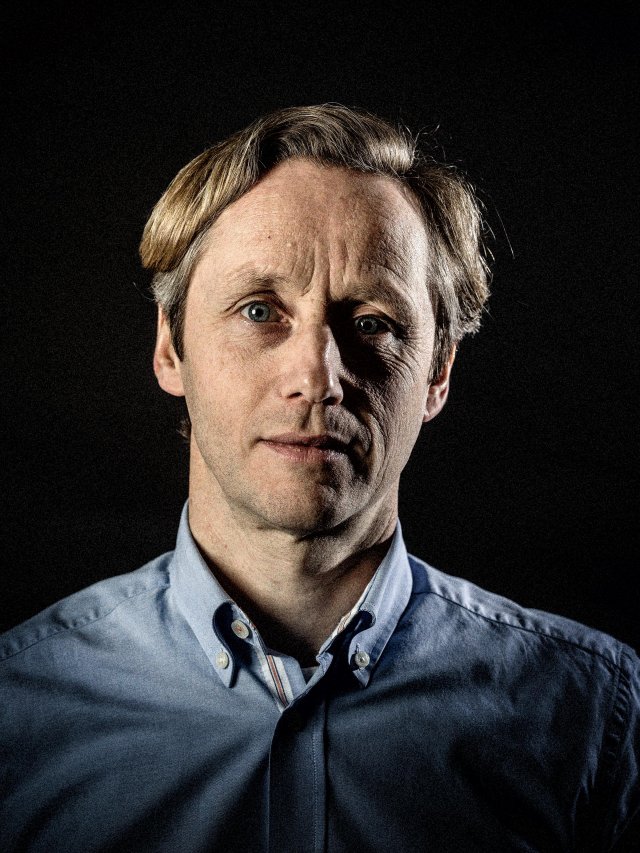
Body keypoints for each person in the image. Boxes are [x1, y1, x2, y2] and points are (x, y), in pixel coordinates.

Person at [1, 104, 638, 853]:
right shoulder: (18, 712)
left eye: (372, 323)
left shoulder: (591, 716)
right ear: (171, 348)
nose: (317, 376)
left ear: (438, 372)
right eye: (259, 311)